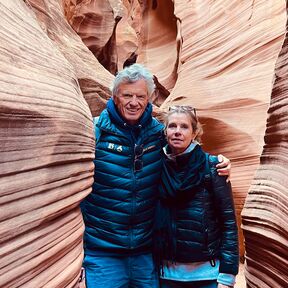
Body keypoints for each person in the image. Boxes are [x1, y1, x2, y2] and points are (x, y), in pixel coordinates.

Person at [81, 64, 231, 288]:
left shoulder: (157, 134)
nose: (134, 102)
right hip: (103, 253)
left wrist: (219, 162)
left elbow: (185, 153)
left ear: (150, 99)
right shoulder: (94, 132)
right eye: (127, 95)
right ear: (114, 97)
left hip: (145, 253)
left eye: (140, 96)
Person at [155, 105, 239, 288]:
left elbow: (229, 222)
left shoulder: (213, 166)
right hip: (166, 276)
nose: (177, 132)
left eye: (184, 127)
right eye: (172, 126)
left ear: (194, 133)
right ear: (165, 131)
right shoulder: (156, 166)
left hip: (207, 276)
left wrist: (228, 274)